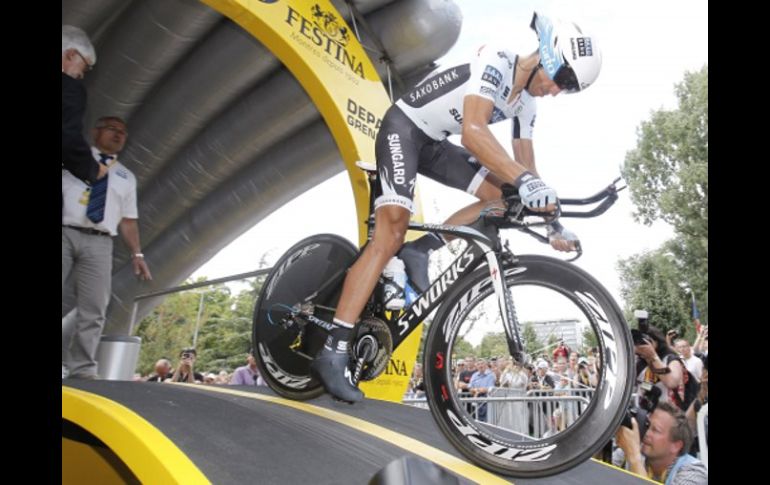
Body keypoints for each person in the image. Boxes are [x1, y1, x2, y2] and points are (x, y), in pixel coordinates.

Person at [310, 11, 602, 403]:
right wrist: (525, 180)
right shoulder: (496, 61)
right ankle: (333, 349)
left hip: (435, 145)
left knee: (506, 197)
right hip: (405, 129)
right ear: (548, 55)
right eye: (564, 80)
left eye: (571, 89)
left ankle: (421, 250)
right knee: (391, 230)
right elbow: (474, 131)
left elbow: (528, 171)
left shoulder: (527, 106)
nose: (559, 91)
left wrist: (553, 225)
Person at [62, 116, 152, 379]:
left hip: (101, 241)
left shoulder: (126, 176)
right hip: (65, 232)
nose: (118, 135)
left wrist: (137, 253)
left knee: (94, 306)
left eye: (123, 132)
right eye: (113, 129)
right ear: (96, 132)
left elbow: (128, 220)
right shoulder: (74, 156)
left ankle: (83, 369)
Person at [615, 402, 708, 484]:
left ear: (676, 446)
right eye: (648, 425)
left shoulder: (694, 472)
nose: (646, 433)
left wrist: (634, 458)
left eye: (655, 430)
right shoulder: (628, 452)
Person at [62, 26, 107, 192]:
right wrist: (92, 170)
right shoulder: (68, 88)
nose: (82, 74)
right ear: (71, 54)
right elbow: (66, 137)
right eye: (85, 66)